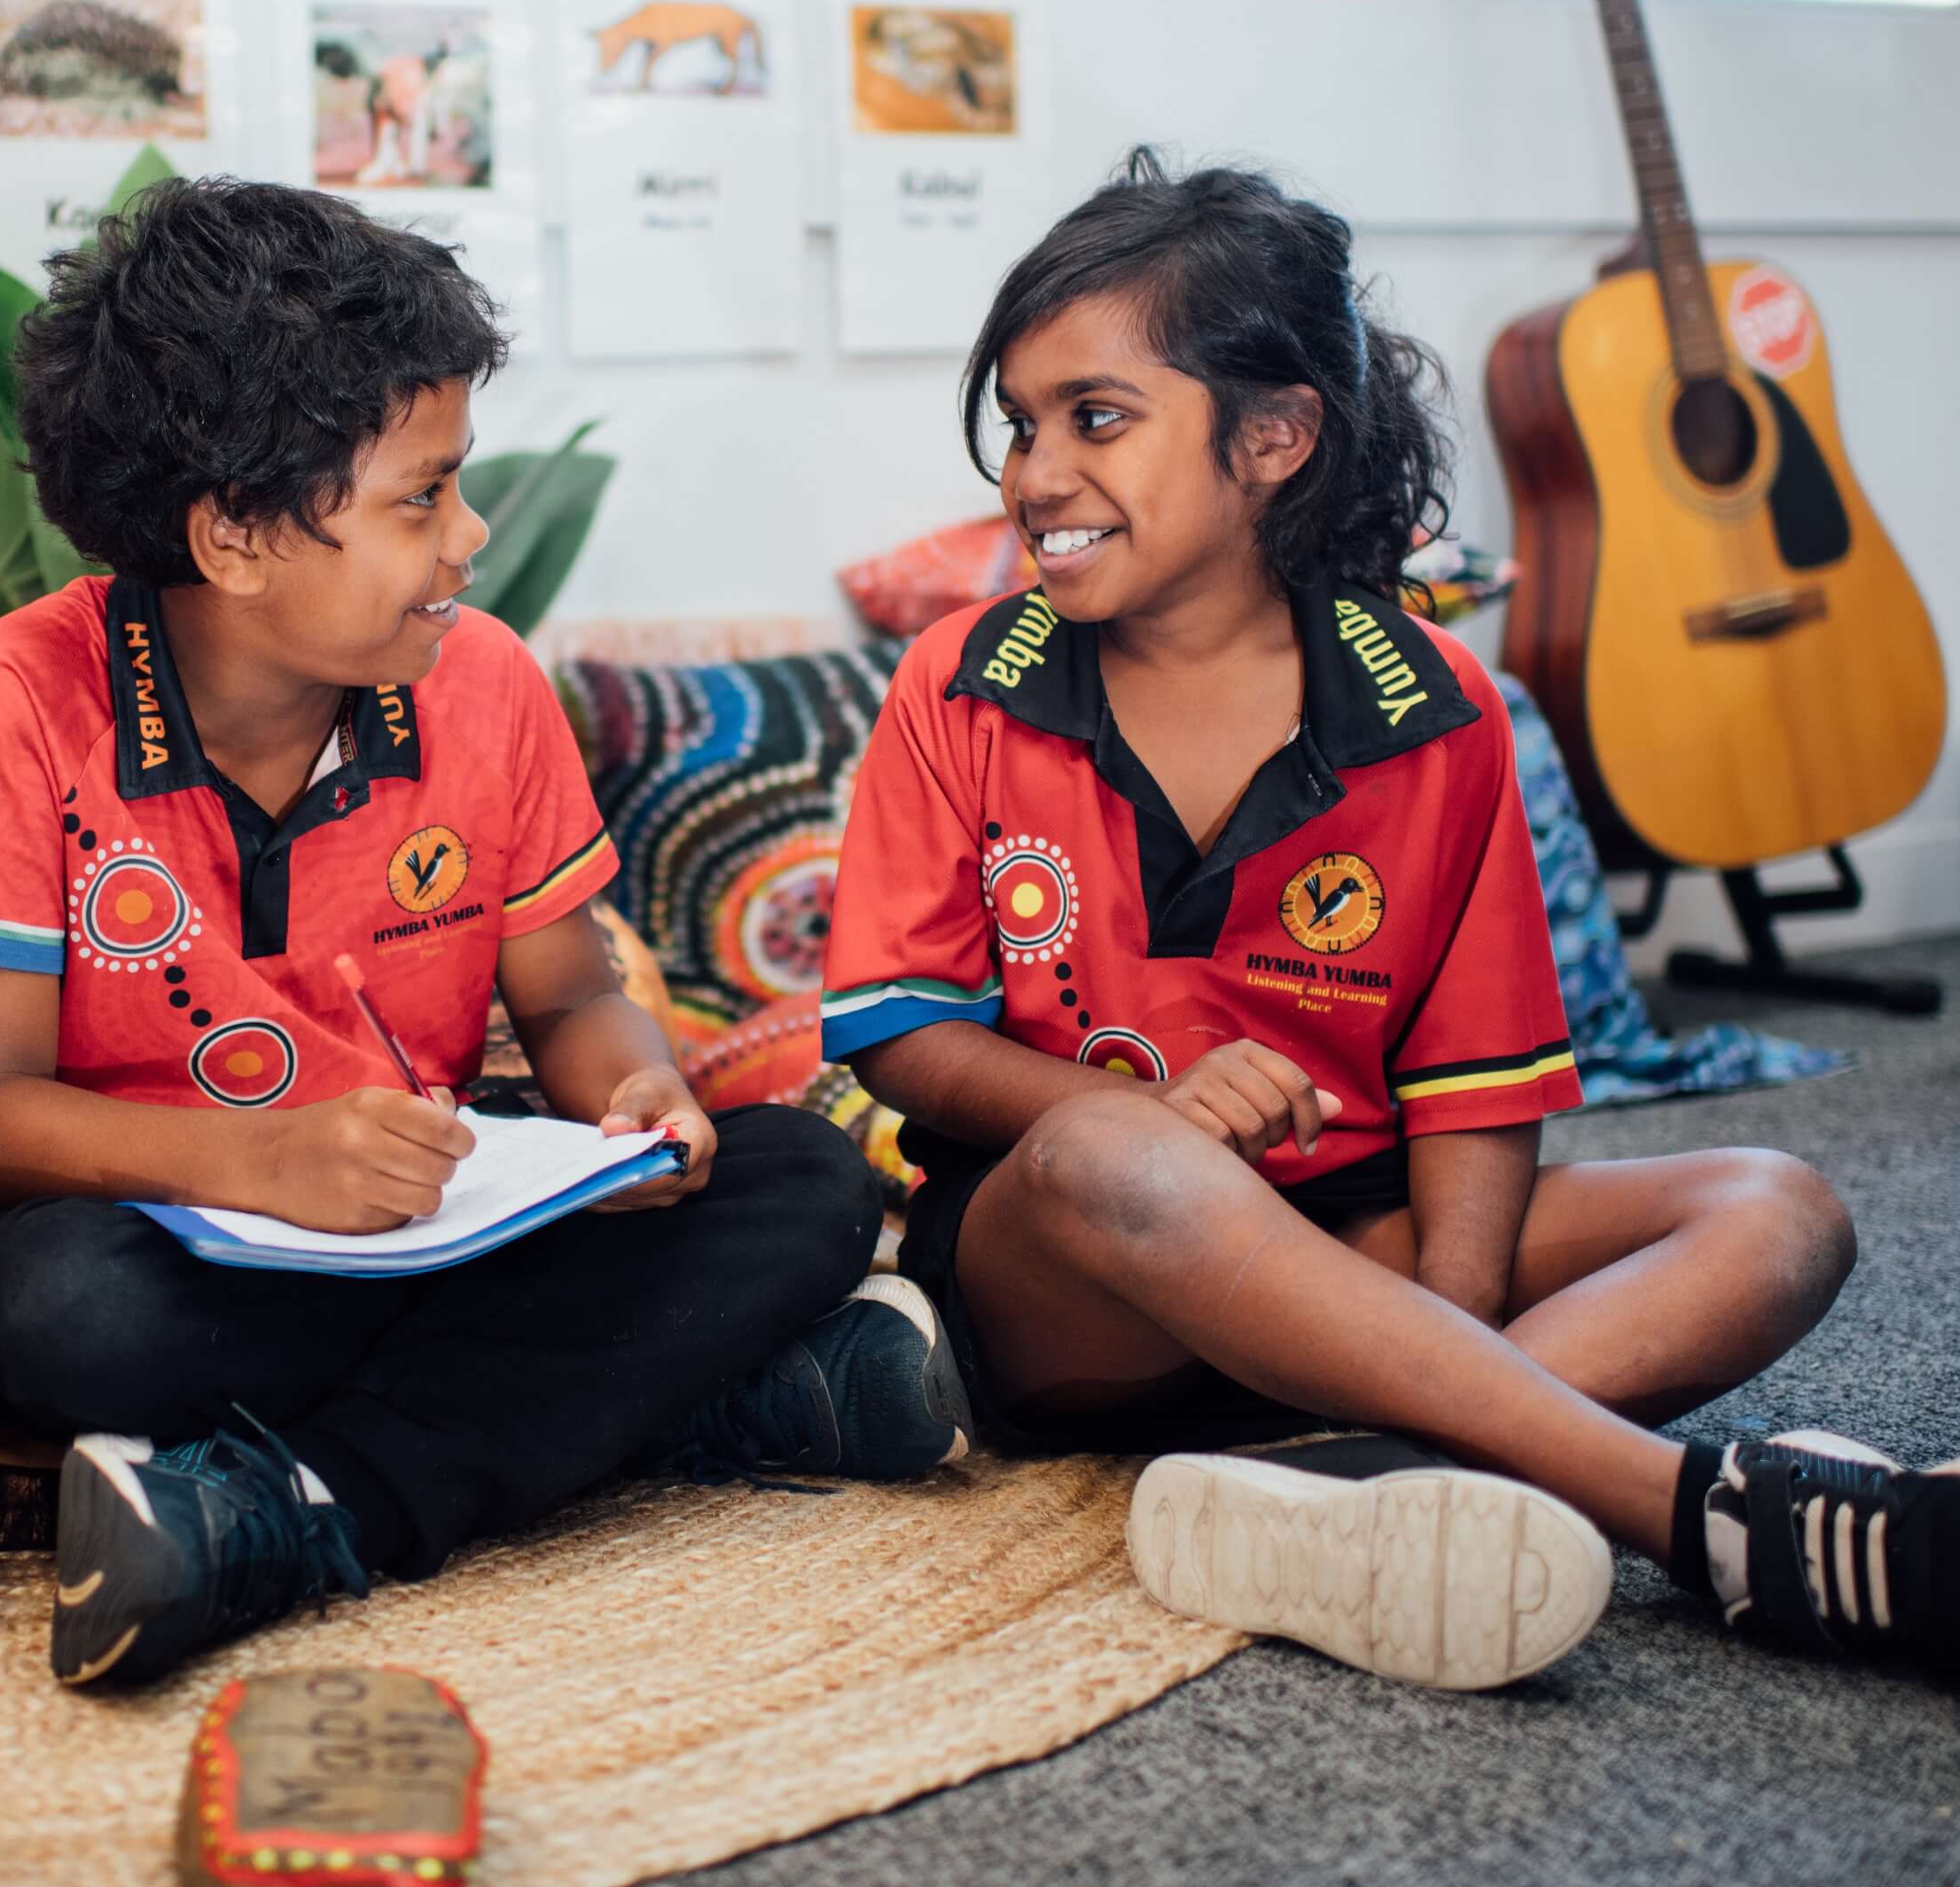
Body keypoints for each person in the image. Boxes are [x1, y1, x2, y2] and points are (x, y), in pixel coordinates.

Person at [819, 149, 1950, 1688]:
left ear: (1275, 437)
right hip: (1074, 1286)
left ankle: (1361, 1480)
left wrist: (1448, 1319)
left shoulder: (1439, 710)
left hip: (1363, 1240)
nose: (1032, 472)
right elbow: (894, 1033)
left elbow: (1478, 1078)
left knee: (1777, 1207)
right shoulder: (959, 683)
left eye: (1096, 417)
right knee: (1113, 1152)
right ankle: (1688, 1515)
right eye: (1019, 424)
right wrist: (1126, 1111)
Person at [0, 177, 908, 1689]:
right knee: (55, 1317)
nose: (471, 535)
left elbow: (569, 1000)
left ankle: (301, 1503)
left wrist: (632, 1096)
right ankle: (675, 1406)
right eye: (418, 498)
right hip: (184, 1235)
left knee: (807, 1183)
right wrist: (258, 1165)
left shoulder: (483, 683)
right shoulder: (19, 697)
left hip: (447, 1206)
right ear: (235, 535)